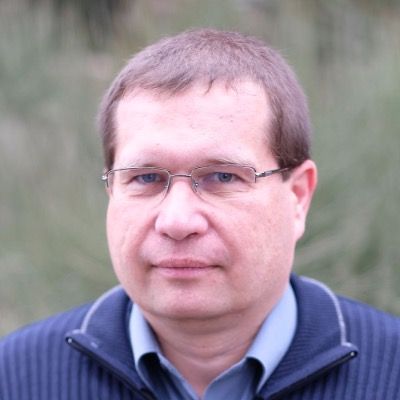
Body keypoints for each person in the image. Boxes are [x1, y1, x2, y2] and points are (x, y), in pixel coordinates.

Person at [1, 28, 399, 400]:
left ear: (297, 197)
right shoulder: (18, 379)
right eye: (146, 178)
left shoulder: (389, 374)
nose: (177, 221)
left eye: (222, 177)